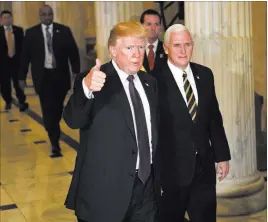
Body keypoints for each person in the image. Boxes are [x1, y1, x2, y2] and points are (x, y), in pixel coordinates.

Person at [63, 21, 159, 222]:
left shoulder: (150, 83)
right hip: (105, 194)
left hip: (146, 190)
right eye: (129, 47)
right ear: (113, 51)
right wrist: (87, 88)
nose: (136, 54)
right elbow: (72, 120)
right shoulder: (96, 80)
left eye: (140, 47)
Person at [155, 24, 231, 222]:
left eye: (187, 44)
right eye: (177, 45)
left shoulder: (205, 74)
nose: (183, 50)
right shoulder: (153, 80)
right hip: (171, 171)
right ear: (165, 48)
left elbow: (214, 118)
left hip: (203, 168)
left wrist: (222, 156)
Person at [19, 5, 80, 157]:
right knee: (47, 110)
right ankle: (54, 142)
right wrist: (21, 76)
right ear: (40, 16)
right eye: (44, 14)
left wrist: (76, 72)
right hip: (43, 77)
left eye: (50, 14)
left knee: (57, 108)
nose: (47, 17)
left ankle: (54, 127)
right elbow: (25, 56)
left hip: (60, 76)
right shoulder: (31, 33)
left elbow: (73, 51)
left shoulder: (63, 30)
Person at [0, 10, 28, 111]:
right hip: (3, 64)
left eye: (9, 17)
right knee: (5, 85)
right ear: (1, 20)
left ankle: (21, 101)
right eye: (5, 18)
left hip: (17, 63)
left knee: (18, 83)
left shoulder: (19, 30)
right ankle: (8, 101)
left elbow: (23, 47)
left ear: (11, 18)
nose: (7, 20)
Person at [140, 9, 166, 75]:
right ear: (141, 26)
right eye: (149, 24)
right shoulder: (135, 49)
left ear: (160, 27)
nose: (153, 28)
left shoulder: (167, 49)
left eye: (156, 24)